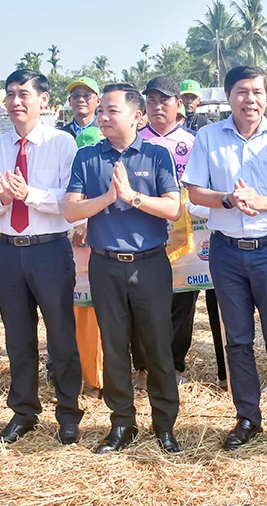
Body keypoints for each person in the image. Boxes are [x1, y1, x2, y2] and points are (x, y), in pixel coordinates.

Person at [183, 65, 267, 454]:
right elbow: (194, 191)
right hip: (226, 252)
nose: (250, 99)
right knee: (237, 339)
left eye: (257, 92)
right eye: (242, 91)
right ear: (228, 97)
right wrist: (227, 199)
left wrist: (263, 201)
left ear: (266, 97)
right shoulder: (208, 137)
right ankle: (247, 417)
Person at [65, 83, 183, 454]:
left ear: (137, 116)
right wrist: (107, 198)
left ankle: (164, 425)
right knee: (114, 347)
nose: (102, 117)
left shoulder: (157, 155)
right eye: (100, 110)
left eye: (111, 111)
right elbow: (70, 210)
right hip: (105, 265)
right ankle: (122, 423)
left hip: (150, 265)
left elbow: (173, 208)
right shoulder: (87, 157)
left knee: (157, 346)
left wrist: (133, 197)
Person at [0, 69, 85, 446]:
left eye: (24, 94)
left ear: (44, 100)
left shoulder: (62, 143)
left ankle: (68, 412)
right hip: (8, 251)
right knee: (18, 338)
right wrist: (4, 199)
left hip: (50, 249)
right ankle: (23, 412)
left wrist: (29, 195)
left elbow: (71, 201)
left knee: (61, 335)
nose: (15, 102)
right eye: (10, 94)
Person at [130, 76, 223, 389]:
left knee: (182, 300)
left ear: (178, 105)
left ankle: (175, 364)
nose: (157, 106)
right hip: (144, 232)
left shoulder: (194, 141)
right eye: (152, 100)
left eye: (164, 100)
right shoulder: (134, 140)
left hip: (189, 234)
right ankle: (144, 366)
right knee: (142, 301)